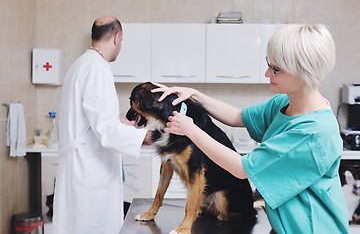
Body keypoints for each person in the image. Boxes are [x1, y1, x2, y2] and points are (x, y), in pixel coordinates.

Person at [152, 24, 349, 233]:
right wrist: (194, 94)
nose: (267, 73)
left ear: (304, 72)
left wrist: (191, 130)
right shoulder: (285, 103)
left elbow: (242, 169)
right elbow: (238, 116)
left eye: (276, 69)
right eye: (269, 64)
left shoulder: (313, 133)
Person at [52, 16, 152, 234]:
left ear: (92, 36)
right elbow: (105, 130)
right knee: (93, 227)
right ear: (117, 37)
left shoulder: (80, 64)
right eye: (122, 40)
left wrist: (120, 120)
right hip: (90, 173)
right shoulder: (97, 68)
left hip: (80, 167)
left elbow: (91, 121)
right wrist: (146, 137)